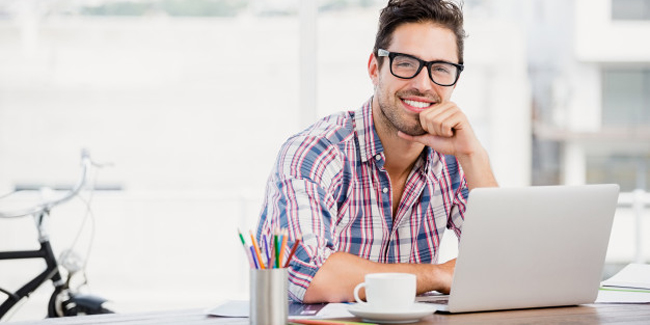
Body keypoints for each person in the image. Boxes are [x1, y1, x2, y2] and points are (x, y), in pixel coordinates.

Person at [256, 0, 498, 303]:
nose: (423, 85)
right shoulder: (315, 152)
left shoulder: (455, 159)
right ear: (375, 68)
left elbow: (502, 269)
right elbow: (310, 276)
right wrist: (435, 275)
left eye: (440, 69)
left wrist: (474, 155)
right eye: (406, 63)